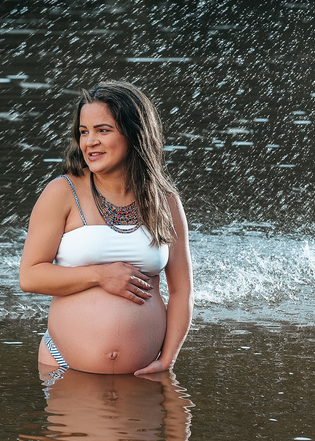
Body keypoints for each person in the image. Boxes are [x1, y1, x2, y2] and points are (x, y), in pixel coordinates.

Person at [19, 81, 193, 376]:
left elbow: (182, 290)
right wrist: (100, 275)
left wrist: (168, 361)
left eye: (103, 130)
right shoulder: (63, 191)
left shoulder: (165, 200)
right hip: (66, 370)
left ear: (134, 132)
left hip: (143, 374)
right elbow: (30, 275)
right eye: (84, 132)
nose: (89, 142)